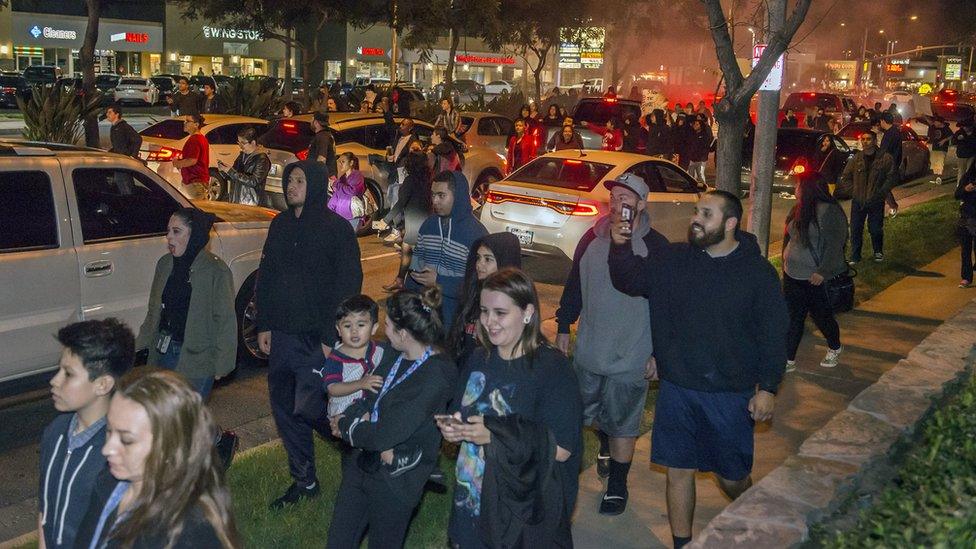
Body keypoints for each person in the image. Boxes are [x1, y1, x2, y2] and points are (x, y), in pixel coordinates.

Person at [608, 190, 788, 549]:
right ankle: (682, 543)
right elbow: (630, 279)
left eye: (706, 214)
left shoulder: (757, 273)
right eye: (696, 211)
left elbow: (774, 333)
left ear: (730, 223)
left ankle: (750, 506)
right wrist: (619, 245)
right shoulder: (675, 260)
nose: (696, 219)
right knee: (678, 471)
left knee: (731, 476)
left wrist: (767, 387)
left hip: (728, 393)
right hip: (678, 388)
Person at [440, 268, 583, 548]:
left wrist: (494, 434)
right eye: (484, 311)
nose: (489, 321)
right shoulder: (478, 358)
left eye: (500, 313)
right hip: (470, 504)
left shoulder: (552, 369)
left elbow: (563, 448)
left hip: (519, 517)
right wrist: (455, 428)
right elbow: (463, 412)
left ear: (527, 312)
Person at [555, 173, 668, 515]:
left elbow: (666, 305)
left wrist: (658, 353)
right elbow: (574, 283)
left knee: (622, 422)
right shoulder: (591, 237)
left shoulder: (657, 246)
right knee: (586, 415)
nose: (619, 204)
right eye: (615, 197)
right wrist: (563, 324)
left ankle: (617, 484)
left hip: (630, 354)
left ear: (642, 204)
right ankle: (601, 448)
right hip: (590, 350)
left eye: (627, 199)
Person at [256, 159, 363, 509]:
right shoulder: (280, 226)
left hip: (316, 339)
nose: (291, 186)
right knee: (286, 408)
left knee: (311, 406)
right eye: (289, 180)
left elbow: (349, 284)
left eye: (299, 180)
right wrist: (264, 323)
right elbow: (266, 277)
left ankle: (355, 443)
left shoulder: (336, 229)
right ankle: (304, 480)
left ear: (315, 185)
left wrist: (333, 336)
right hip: (283, 335)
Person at [327, 288, 456, 549]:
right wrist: (351, 415)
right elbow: (368, 397)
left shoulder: (435, 376)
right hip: (362, 461)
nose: (382, 330)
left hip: (396, 478)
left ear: (404, 334)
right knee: (339, 540)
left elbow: (387, 433)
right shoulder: (392, 353)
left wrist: (345, 426)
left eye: (387, 325)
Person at [74, 370, 239, 548]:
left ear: (170, 444)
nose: (107, 449)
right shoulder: (108, 484)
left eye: (127, 440)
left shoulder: (190, 532)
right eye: (108, 431)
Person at [38, 319, 134, 549]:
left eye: (68, 374)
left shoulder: (117, 452)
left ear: (102, 384)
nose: (54, 381)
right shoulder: (55, 432)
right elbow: (44, 510)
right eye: (59, 369)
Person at [136, 208, 235, 399]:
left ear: (194, 234)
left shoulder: (216, 271)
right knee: (162, 418)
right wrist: (138, 344)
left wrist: (223, 363)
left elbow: (225, 320)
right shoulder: (164, 264)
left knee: (186, 422)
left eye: (176, 231)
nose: (169, 237)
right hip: (163, 352)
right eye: (168, 231)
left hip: (197, 359)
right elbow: (154, 311)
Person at [782, 174, 849, 372]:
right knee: (794, 317)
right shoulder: (798, 209)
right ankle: (788, 359)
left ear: (808, 188)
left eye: (798, 186)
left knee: (822, 317)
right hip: (792, 274)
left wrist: (823, 271)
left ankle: (835, 346)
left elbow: (836, 243)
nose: (795, 189)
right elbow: (789, 237)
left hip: (814, 278)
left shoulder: (828, 211)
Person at [406, 170, 487, 329]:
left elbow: (478, 285)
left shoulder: (476, 234)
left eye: (441, 195)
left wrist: (439, 281)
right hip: (425, 319)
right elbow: (415, 271)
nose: (435, 201)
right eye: (433, 195)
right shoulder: (428, 226)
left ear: (457, 196)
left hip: (457, 322)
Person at [448, 232, 523, 367]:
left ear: (503, 262)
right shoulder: (473, 292)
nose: (479, 264)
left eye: (487, 259)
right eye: (478, 258)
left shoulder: (514, 303)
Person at [319, 294, 385, 418]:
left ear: (374, 328)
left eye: (361, 325)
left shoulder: (380, 349)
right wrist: (360, 384)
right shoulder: (336, 359)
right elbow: (332, 388)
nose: (354, 331)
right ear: (338, 329)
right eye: (347, 326)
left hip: (371, 406)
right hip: (344, 412)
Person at [375, 151, 432, 292]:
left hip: (413, 221)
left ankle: (411, 284)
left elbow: (400, 203)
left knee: (411, 254)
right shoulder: (428, 180)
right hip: (424, 221)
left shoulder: (410, 181)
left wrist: (386, 220)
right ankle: (401, 280)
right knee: (410, 251)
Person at [840, 130, 898, 263]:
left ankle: (878, 251)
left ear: (875, 141)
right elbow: (846, 177)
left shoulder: (885, 158)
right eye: (863, 139)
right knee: (855, 229)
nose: (865, 142)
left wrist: (882, 192)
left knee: (876, 228)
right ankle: (855, 255)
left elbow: (892, 177)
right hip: (858, 201)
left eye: (868, 139)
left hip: (876, 200)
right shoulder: (856, 158)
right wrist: (853, 191)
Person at [218, 126, 270, 206]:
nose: (240, 146)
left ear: (253, 142)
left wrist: (231, 171)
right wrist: (223, 171)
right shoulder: (242, 156)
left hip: (250, 203)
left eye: (243, 143)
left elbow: (253, 181)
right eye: (239, 143)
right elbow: (234, 176)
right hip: (236, 201)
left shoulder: (262, 159)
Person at [171, 114, 210, 199]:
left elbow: (192, 160)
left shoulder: (195, 140)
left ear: (196, 125)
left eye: (188, 121)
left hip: (195, 182)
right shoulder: (200, 138)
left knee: (198, 209)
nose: (184, 123)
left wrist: (177, 163)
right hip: (194, 181)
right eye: (185, 121)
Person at [327, 151, 368, 229]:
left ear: (351, 162)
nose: (340, 164)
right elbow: (337, 195)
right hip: (341, 217)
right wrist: (329, 209)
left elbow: (353, 191)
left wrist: (336, 184)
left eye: (343, 161)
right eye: (339, 162)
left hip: (353, 216)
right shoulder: (343, 177)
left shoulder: (357, 175)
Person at [956, 163, 976, 288]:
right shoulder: (968, 177)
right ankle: (966, 277)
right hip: (967, 217)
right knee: (966, 250)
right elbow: (957, 194)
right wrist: (965, 189)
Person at [308, 111, 338, 179]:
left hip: (324, 178)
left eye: (312, 119)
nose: (310, 121)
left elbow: (322, 158)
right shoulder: (326, 135)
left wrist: (315, 177)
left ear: (316, 122)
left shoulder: (322, 137)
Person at [686, 117, 713, 186]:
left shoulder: (704, 136)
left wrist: (702, 158)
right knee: (690, 176)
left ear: (701, 126)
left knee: (700, 176)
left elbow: (705, 147)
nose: (695, 125)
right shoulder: (692, 134)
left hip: (700, 160)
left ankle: (705, 187)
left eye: (697, 124)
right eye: (695, 124)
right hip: (692, 159)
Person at [927, 116, 952, 185]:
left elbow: (951, 135)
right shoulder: (934, 127)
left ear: (940, 122)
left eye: (936, 121)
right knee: (934, 163)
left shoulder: (945, 128)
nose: (934, 123)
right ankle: (936, 178)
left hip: (942, 148)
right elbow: (929, 122)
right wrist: (923, 115)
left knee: (940, 163)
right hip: (935, 147)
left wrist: (944, 140)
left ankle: (939, 178)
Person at [878, 112, 903, 180]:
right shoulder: (894, 131)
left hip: (890, 164)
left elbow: (885, 149)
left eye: (880, 121)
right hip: (893, 163)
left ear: (883, 121)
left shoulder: (890, 133)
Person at [953, 118, 976, 184]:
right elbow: (953, 142)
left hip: (972, 154)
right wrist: (958, 139)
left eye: (967, 126)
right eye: (964, 126)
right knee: (961, 171)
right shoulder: (959, 132)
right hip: (962, 155)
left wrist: (966, 138)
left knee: (970, 171)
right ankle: (960, 185)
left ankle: (968, 184)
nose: (965, 128)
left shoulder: (974, 132)